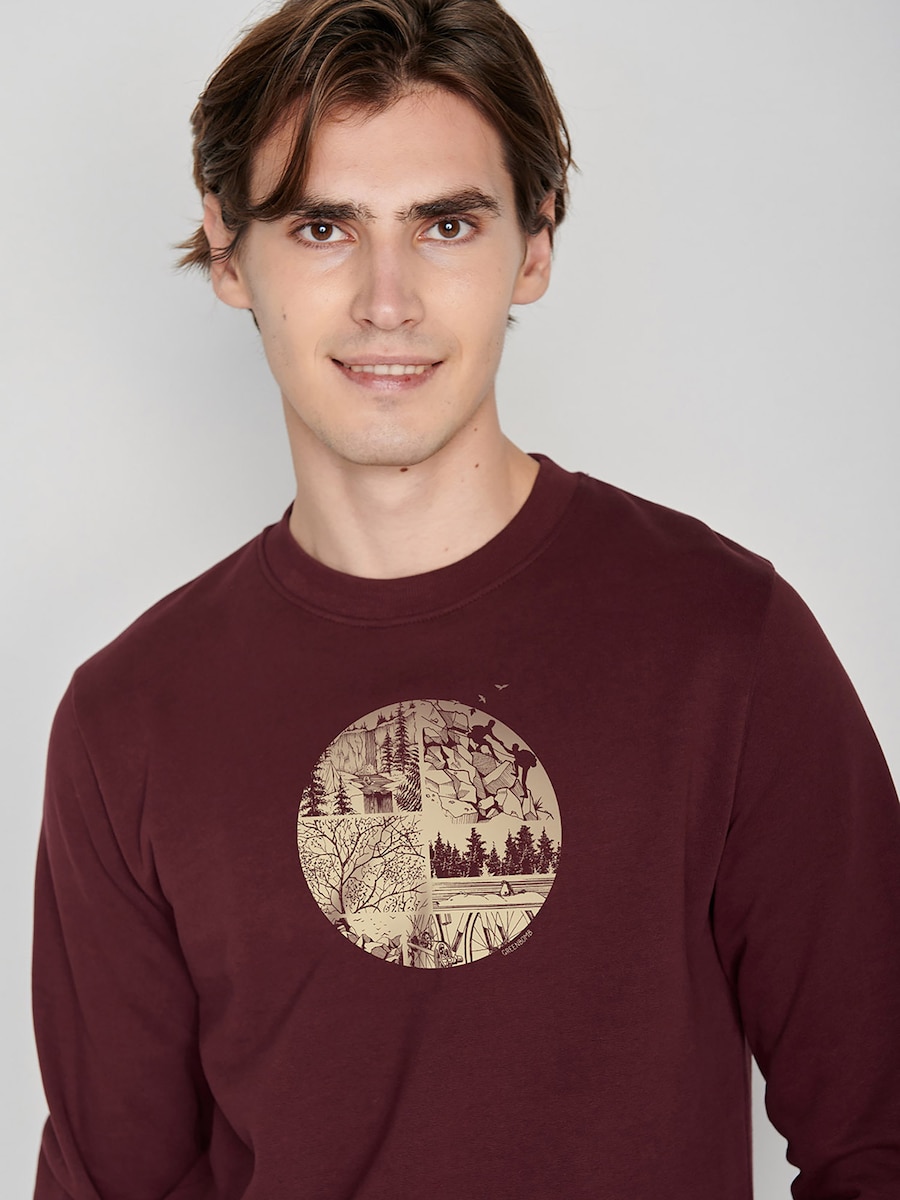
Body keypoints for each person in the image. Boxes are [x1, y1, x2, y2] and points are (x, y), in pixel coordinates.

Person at [31, 0, 900, 1196]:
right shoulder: (129, 719)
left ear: (534, 245)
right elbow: (110, 1179)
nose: (387, 300)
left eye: (445, 224)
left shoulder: (725, 643)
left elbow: (879, 1133)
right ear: (230, 253)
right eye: (323, 226)